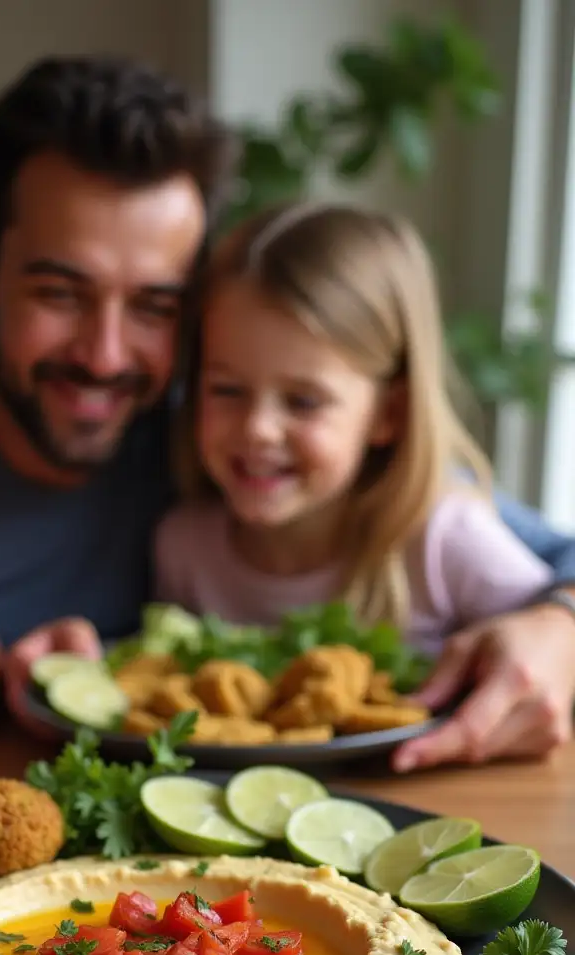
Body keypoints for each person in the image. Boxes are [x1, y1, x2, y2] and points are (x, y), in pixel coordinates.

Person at [0, 56, 573, 774]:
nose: (105, 353)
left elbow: (530, 553)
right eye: (61, 291)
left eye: (155, 306)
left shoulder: (217, 428)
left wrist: (557, 627)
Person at [154, 200, 554, 683]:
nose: (257, 427)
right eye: (227, 390)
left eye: (303, 401)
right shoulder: (182, 550)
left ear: (389, 413)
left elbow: (549, 664)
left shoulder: (446, 541)